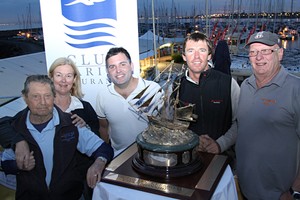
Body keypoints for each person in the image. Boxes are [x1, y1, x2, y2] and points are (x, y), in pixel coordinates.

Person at [1, 75, 114, 200]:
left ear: (54, 96)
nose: (43, 102)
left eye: (47, 96)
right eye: (35, 96)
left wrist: (98, 163)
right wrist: (19, 165)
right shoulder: (15, 129)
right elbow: (5, 164)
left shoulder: (71, 124)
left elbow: (103, 148)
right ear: (25, 98)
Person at [235, 31, 300, 200]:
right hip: (245, 189)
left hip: (279, 195)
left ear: (279, 54)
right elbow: (241, 126)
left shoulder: (296, 90)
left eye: (265, 51)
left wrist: (295, 191)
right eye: (253, 52)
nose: (258, 57)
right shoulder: (245, 87)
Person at [178, 31, 240, 156]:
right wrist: (193, 140)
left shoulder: (228, 83)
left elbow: (240, 122)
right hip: (188, 158)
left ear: (209, 55)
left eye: (202, 50)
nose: (196, 56)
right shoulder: (177, 87)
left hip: (223, 158)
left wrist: (220, 144)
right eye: (190, 51)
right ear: (184, 56)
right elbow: (174, 124)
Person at [95, 47, 163, 155]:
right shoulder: (103, 96)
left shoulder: (153, 89)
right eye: (112, 67)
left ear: (131, 66)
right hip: (119, 156)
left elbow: (166, 125)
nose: (118, 70)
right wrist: (104, 155)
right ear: (108, 72)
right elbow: (103, 128)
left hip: (152, 154)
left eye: (122, 64)